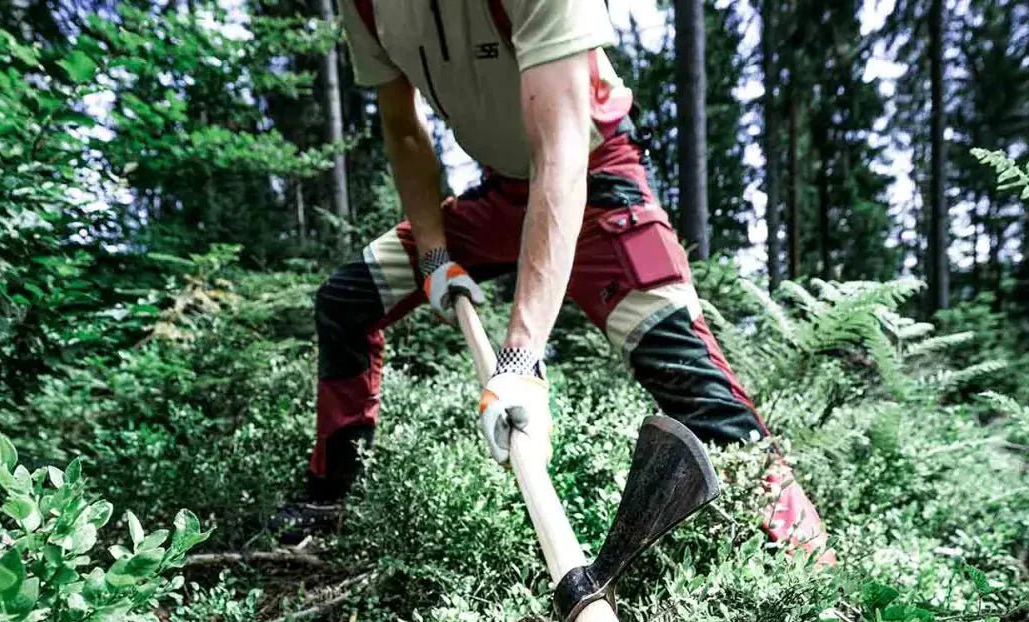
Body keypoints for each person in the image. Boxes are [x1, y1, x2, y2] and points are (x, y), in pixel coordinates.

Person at [274, 0, 830, 563]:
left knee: (700, 390)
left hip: (592, 177)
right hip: (501, 193)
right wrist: (435, 256)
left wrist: (520, 363)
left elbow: (559, 153)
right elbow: (404, 127)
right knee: (347, 299)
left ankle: (812, 581)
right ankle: (330, 497)